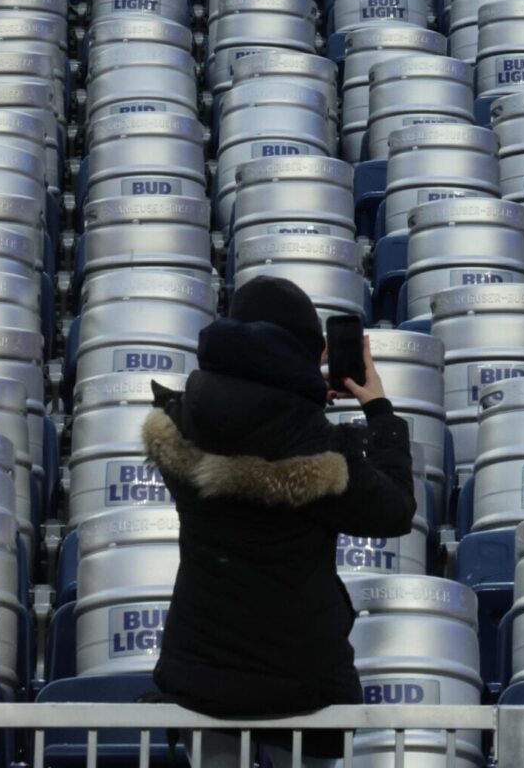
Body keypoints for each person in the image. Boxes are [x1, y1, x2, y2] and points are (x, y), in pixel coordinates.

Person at [142, 276, 416, 758]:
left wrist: (300, 397)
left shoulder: (180, 423)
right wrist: (379, 411)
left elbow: (245, 417)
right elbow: (394, 511)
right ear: (308, 352)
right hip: (303, 683)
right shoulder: (318, 445)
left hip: (202, 677)